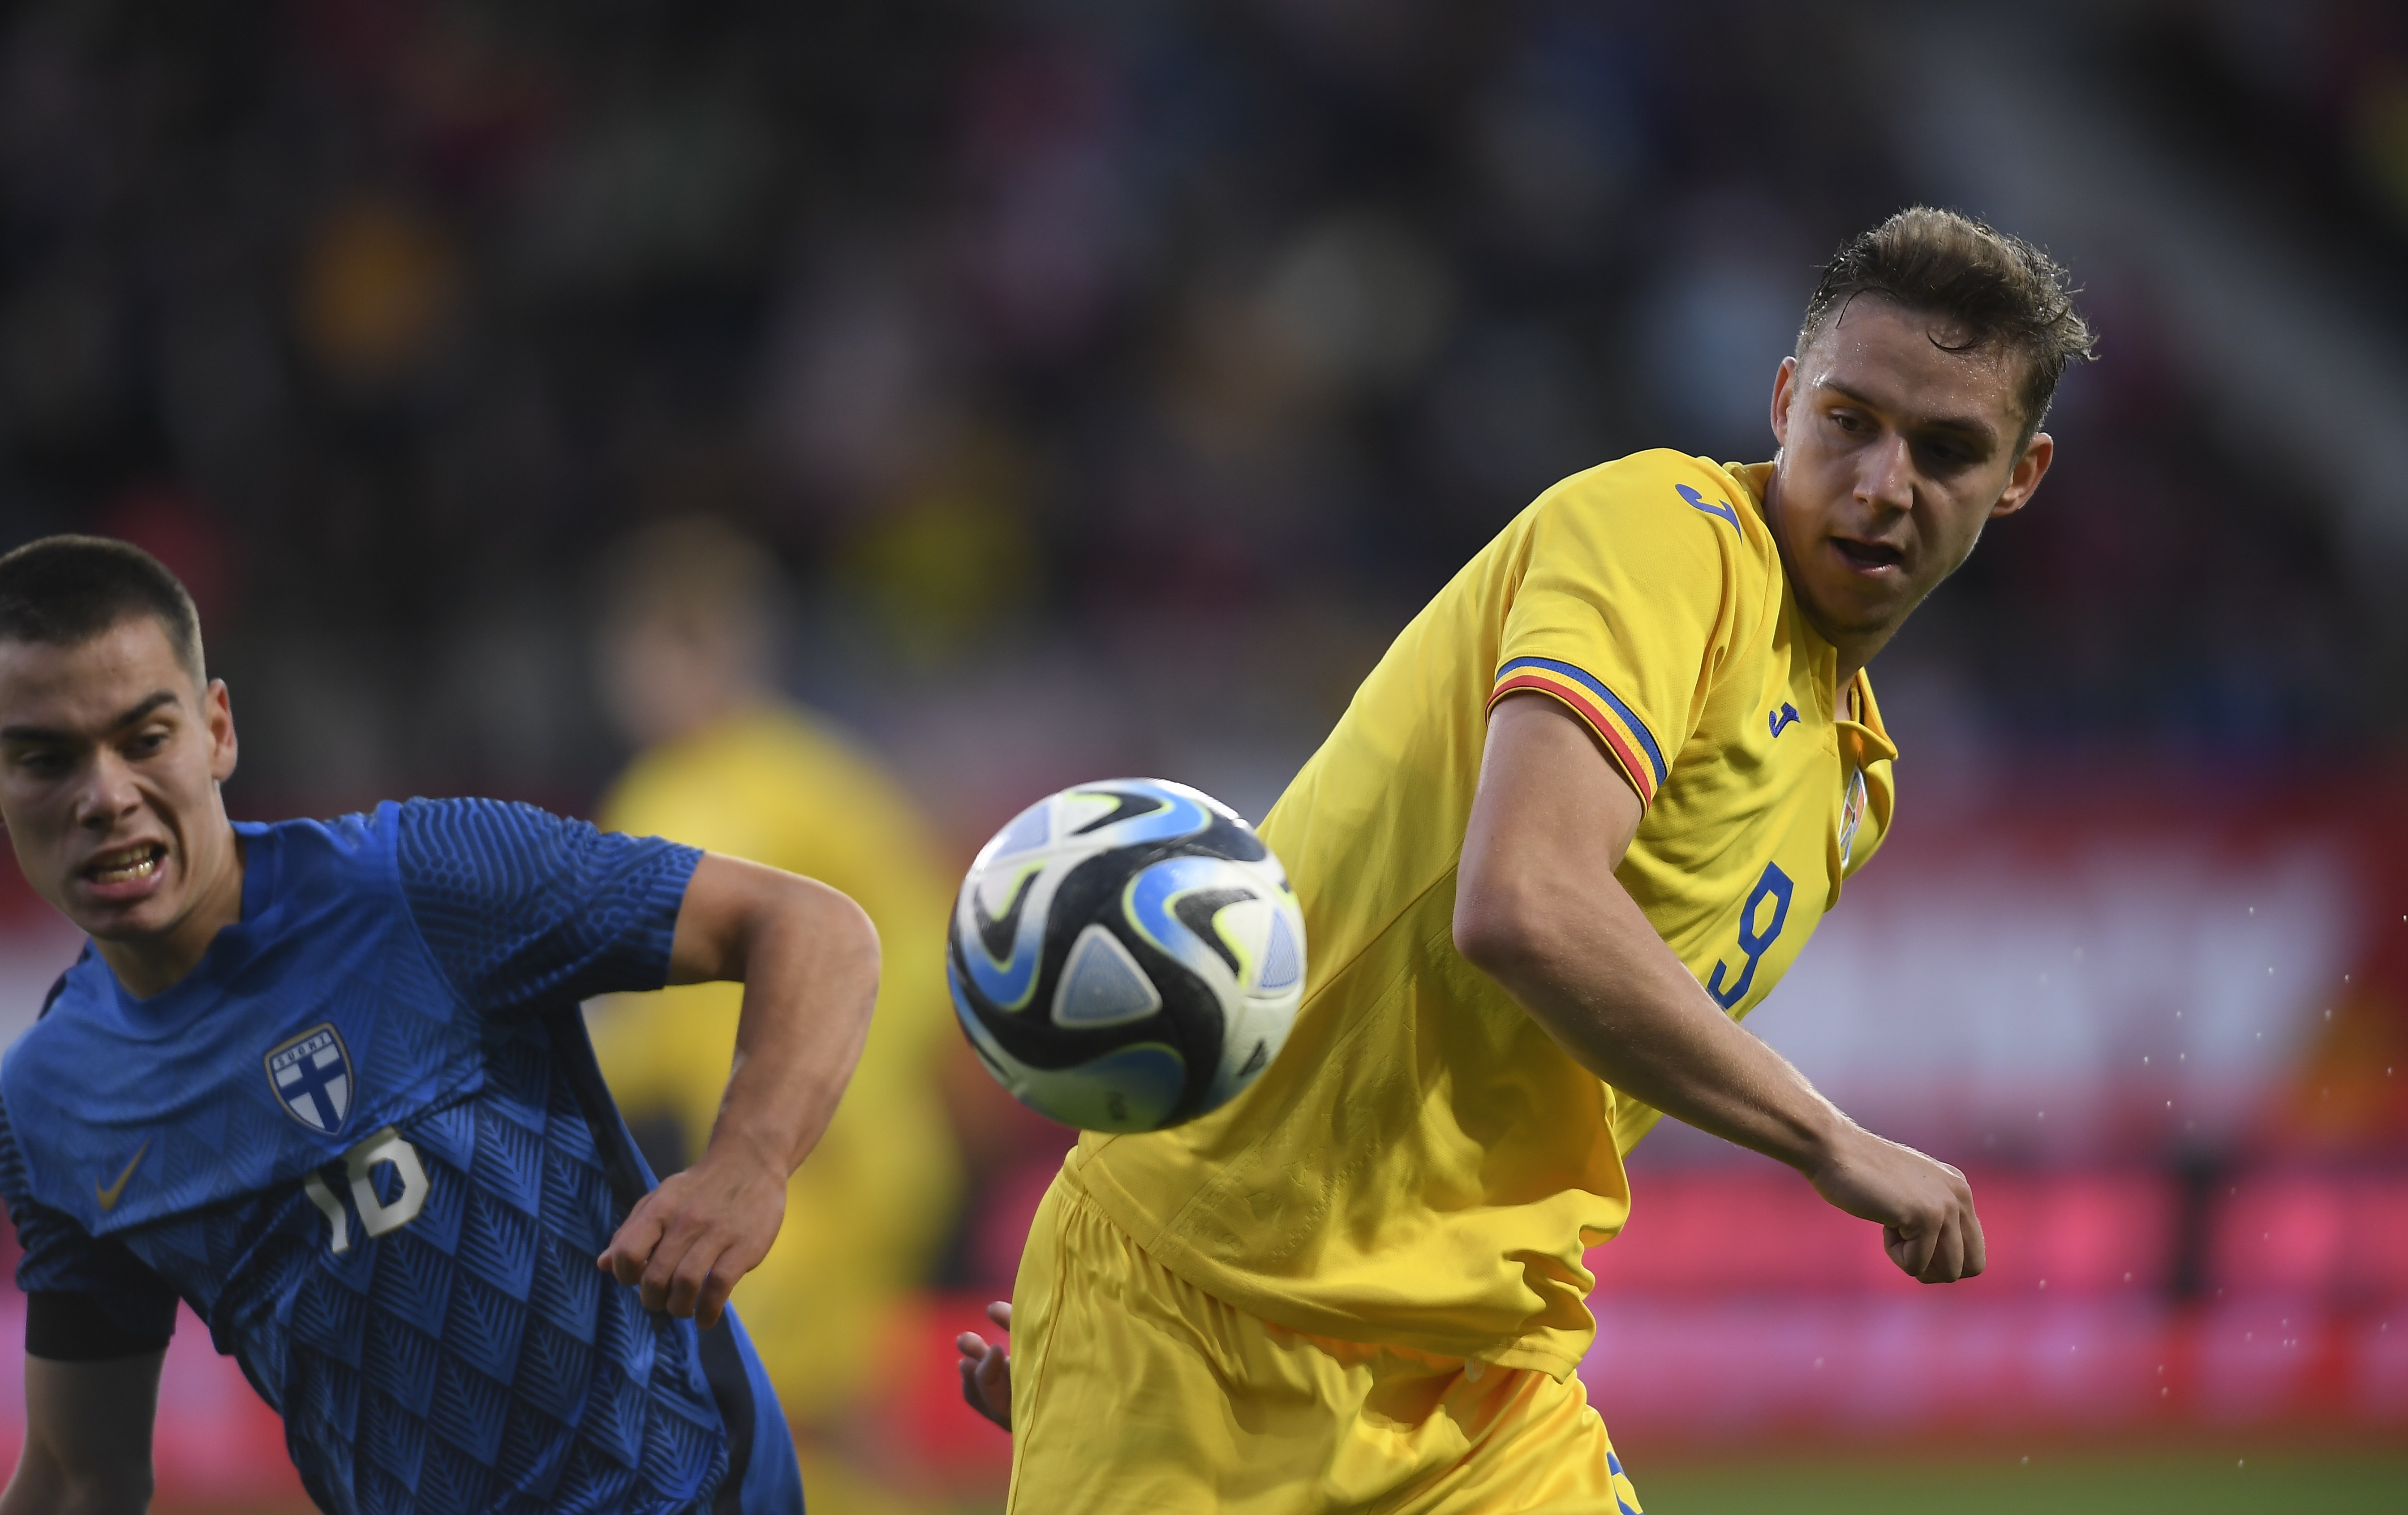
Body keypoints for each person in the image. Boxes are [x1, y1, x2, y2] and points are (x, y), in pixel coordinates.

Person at [954, 208, 2097, 1513]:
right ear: (1786, 401)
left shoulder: (1853, 780)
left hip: (1480, 1378)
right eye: (1850, 422)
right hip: (1199, 1316)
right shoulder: (1667, 538)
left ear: (2022, 475)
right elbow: (1528, 900)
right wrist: (1827, 1138)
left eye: (1947, 450)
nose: (1884, 485)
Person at [0, 536, 882, 1515]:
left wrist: (748, 1160)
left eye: (144, 737)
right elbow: (84, 1473)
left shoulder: (428, 881)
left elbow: (815, 928)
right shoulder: (56, 1101)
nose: (106, 796)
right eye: (46, 758)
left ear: (216, 730)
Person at [584, 520, 964, 1493]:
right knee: (787, 1400)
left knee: (784, 1391)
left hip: (830, 1154)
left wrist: (844, 1085)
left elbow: (919, 937)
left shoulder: (811, 780)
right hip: (736, 1153)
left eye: (658, 654)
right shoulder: (650, 791)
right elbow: (641, 1009)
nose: (638, 682)